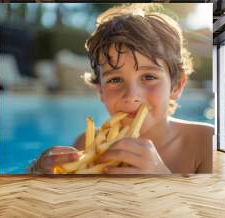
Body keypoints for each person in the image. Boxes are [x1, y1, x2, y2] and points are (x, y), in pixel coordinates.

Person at [31, 4, 213, 175]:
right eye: (115, 79)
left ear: (176, 85)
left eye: (149, 77)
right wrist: (37, 171)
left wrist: (162, 176)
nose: (131, 96)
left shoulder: (206, 143)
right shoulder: (86, 145)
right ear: (100, 91)